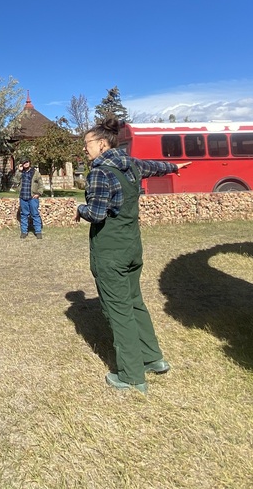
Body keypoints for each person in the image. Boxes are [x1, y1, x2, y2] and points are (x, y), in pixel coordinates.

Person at [74, 117, 190, 393]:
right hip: (132, 247)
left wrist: (79, 209)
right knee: (135, 302)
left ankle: (131, 375)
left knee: (119, 310)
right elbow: (154, 167)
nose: (85, 149)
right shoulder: (130, 164)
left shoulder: (100, 173)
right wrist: (175, 167)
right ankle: (153, 358)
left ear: (102, 144)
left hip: (111, 251)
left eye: (87, 144)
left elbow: (97, 213)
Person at [16, 157, 43, 239]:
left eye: (27, 162)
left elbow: (41, 185)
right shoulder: (20, 173)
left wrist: (39, 193)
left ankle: (38, 232)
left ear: (29, 162)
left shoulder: (35, 173)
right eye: (24, 163)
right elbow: (15, 181)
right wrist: (19, 171)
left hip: (32, 197)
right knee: (24, 215)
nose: (26, 164)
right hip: (23, 197)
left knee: (35, 214)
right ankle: (24, 232)